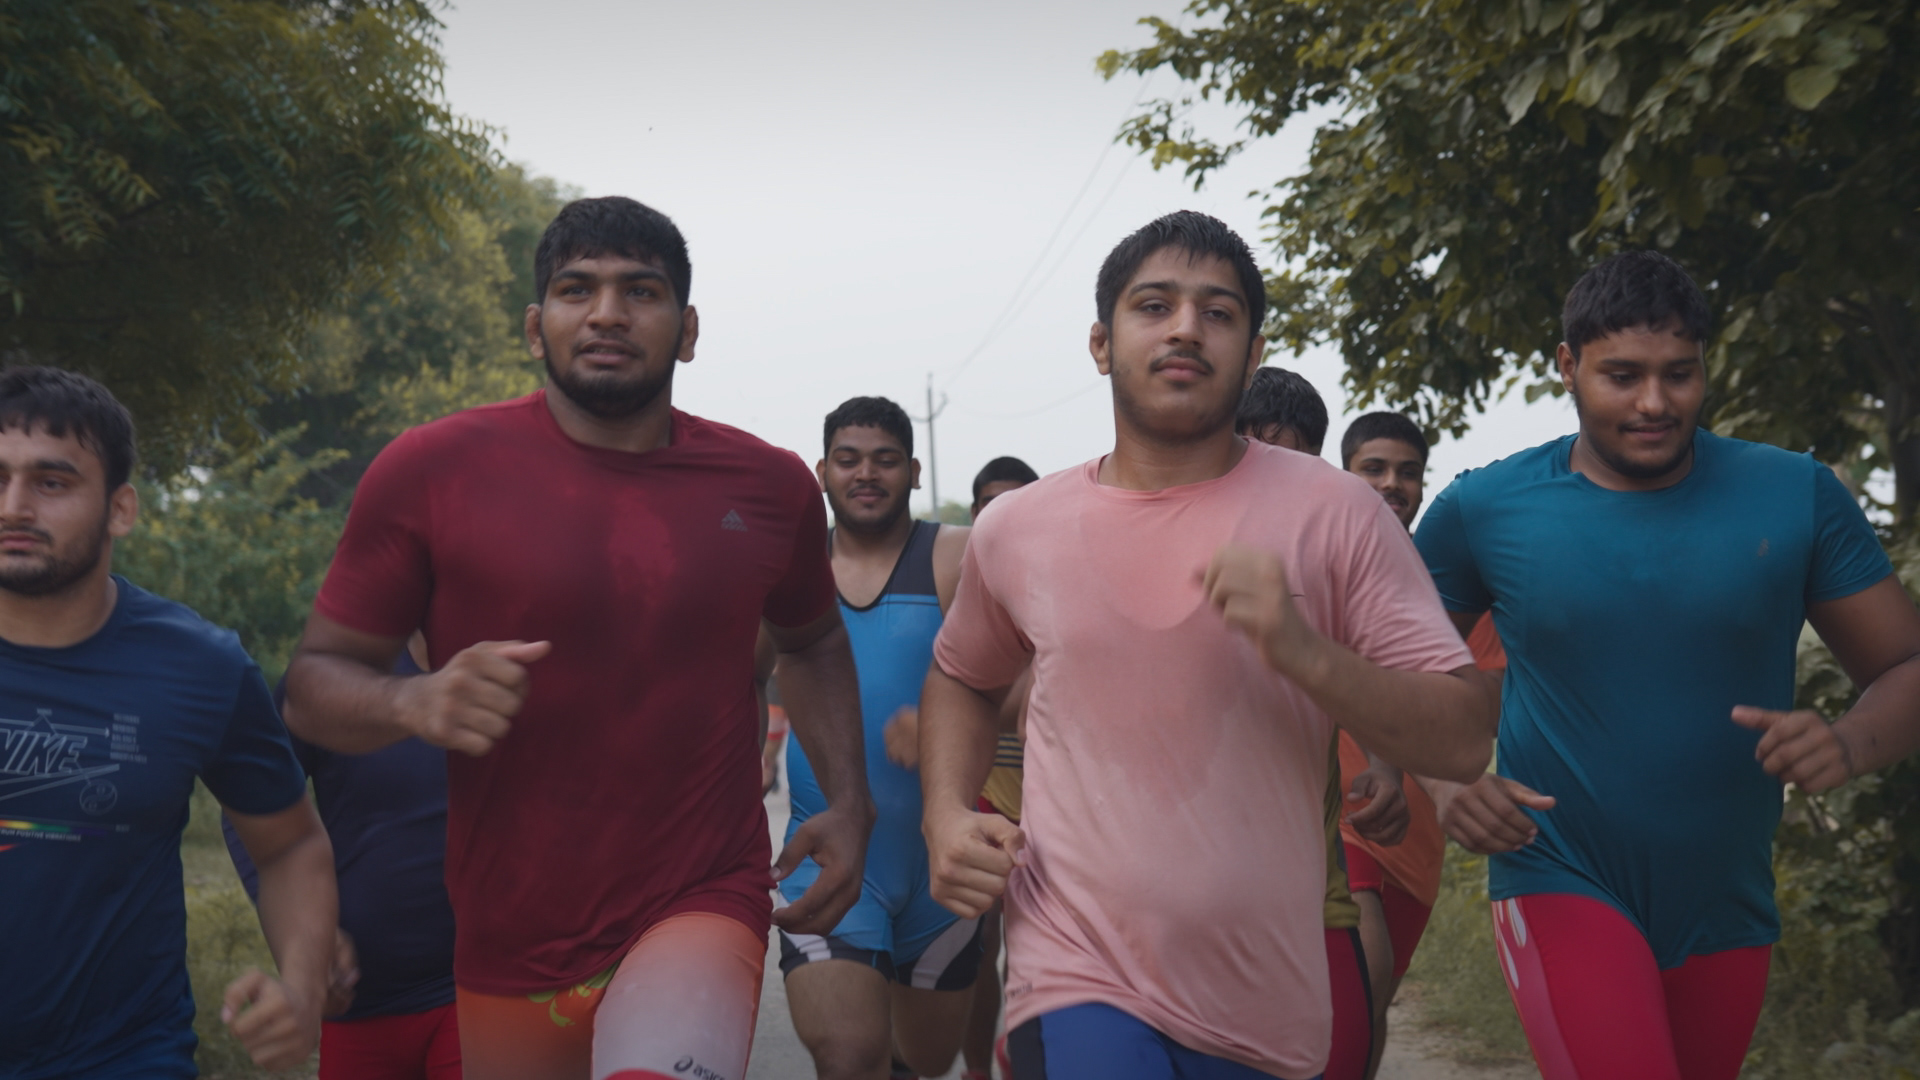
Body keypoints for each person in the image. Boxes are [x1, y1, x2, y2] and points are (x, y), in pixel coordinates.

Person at [282, 196, 874, 1080]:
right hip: (510, 931)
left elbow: (814, 641)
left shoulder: (769, 486)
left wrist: (850, 804)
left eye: (641, 291)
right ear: (535, 327)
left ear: (688, 331)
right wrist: (412, 702)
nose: (606, 313)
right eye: (576, 289)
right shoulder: (430, 470)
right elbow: (312, 687)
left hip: (701, 891)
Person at [919, 211, 1496, 1080]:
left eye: (1217, 313)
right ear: (1101, 343)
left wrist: (1307, 654)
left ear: (1254, 351)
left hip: (1267, 1005)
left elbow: (1461, 736)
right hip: (1074, 972)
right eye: (1154, 306)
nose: (1186, 328)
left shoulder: (1337, 512)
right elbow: (962, 677)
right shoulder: (1020, 528)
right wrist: (944, 813)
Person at [1416, 250, 1920, 1080]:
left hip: (1727, 903)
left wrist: (1848, 742)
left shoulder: (1793, 494)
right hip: (1559, 870)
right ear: (1568, 366)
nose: (1654, 402)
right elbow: (1392, 665)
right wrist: (1445, 783)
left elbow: (1903, 664)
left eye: (1678, 374)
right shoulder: (1485, 508)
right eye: (1622, 376)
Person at [0, 367, 337, 1078]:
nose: (14, 506)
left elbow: (290, 846)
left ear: (120, 509)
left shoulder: (200, 667)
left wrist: (304, 990)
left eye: (51, 482)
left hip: (119, 1058)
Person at [778, 396, 981, 1080]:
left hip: (940, 861)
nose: (866, 473)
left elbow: (1030, 680)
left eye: (885, 460)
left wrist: (945, 724)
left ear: (914, 472)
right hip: (828, 854)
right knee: (848, 1055)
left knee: (922, 1060)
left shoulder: (956, 557)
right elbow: (732, 683)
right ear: (821, 472)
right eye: (848, 460)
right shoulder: (790, 569)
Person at [1336, 411, 1505, 1079]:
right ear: (1342, 476)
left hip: (1418, 833)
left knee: (1373, 1007)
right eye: (1373, 469)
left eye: (1407, 472)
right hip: (1335, 815)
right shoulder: (1316, 568)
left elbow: (1481, 713)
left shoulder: (1458, 590)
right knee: (1362, 976)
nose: (1391, 484)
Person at [223, 636, 459, 1080]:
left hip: (475, 993)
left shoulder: (514, 668)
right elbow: (248, 810)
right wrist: (304, 934)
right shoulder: (331, 675)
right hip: (357, 1001)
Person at [1232, 366, 1375, 1080]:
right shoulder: (1145, 554)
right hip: (1170, 920)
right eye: (1257, 454)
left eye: (1294, 462)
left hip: (1313, 904)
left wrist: (1391, 770)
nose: (1274, 481)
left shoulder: (1340, 567)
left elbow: (1393, 687)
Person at [959, 455, 1039, 1080]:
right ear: (975, 513)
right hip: (984, 804)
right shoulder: (958, 587)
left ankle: (1022, 1057)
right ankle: (978, 1071)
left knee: (1036, 956)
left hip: (1052, 813)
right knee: (978, 952)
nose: (1005, 514)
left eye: (1018, 501)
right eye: (992, 502)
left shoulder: (1063, 583)